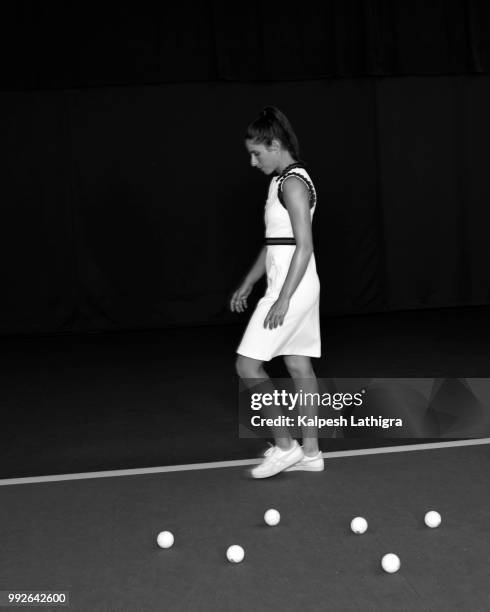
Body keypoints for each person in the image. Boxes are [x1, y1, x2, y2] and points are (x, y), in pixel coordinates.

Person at [230, 106, 323, 478]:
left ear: (275, 143)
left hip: (294, 288)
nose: (253, 161)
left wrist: (283, 298)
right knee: (299, 365)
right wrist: (250, 281)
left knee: (247, 365)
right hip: (288, 283)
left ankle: (286, 446)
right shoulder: (277, 182)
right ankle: (312, 455)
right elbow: (274, 243)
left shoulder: (294, 183)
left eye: (257, 153)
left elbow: (304, 245)